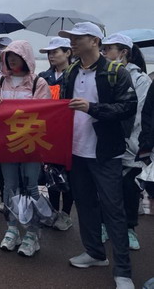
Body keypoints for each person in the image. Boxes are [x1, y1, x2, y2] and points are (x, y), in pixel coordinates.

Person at [59, 23, 137, 289]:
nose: (72, 42)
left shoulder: (116, 71)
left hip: (105, 153)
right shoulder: (71, 71)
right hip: (76, 150)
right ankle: (94, 253)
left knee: (114, 210)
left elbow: (128, 107)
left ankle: (123, 271)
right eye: (70, 38)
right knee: (85, 204)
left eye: (77, 38)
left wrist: (93, 108)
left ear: (94, 40)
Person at [0, 40, 51, 257]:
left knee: (31, 186)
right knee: (9, 186)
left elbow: (45, 112)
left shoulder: (38, 83)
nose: (12, 60)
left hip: (30, 144)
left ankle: (33, 232)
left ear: (26, 57)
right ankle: (12, 229)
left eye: (16, 56)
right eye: (8, 56)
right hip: (6, 144)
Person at [101, 33, 151, 250]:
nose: (104, 53)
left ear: (124, 52)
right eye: (103, 49)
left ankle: (129, 228)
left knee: (129, 188)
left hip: (131, 142)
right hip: (105, 140)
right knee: (106, 187)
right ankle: (104, 224)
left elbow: (138, 112)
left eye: (109, 49)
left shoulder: (140, 79)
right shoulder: (102, 73)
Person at [38, 36, 75, 230]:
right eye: (49, 53)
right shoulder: (44, 76)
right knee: (51, 172)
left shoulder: (75, 75)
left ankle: (66, 214)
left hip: (70, 131)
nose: (51, 56)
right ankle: (52, 211)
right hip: (49, 131)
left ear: (68, 53)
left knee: (69, 173)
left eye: (55, 52)